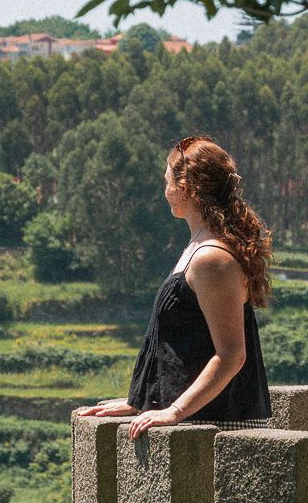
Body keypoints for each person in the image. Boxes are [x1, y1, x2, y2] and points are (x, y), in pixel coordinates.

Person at [78, 136, 272, 440]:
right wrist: (140, 402)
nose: (164, 190)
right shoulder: (198, 249)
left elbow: (232, 354)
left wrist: (175, 411)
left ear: (185, 188)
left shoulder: (212, 258)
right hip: (199, 424)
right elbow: (183, 344)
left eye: (167, 181)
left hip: (219, 428)